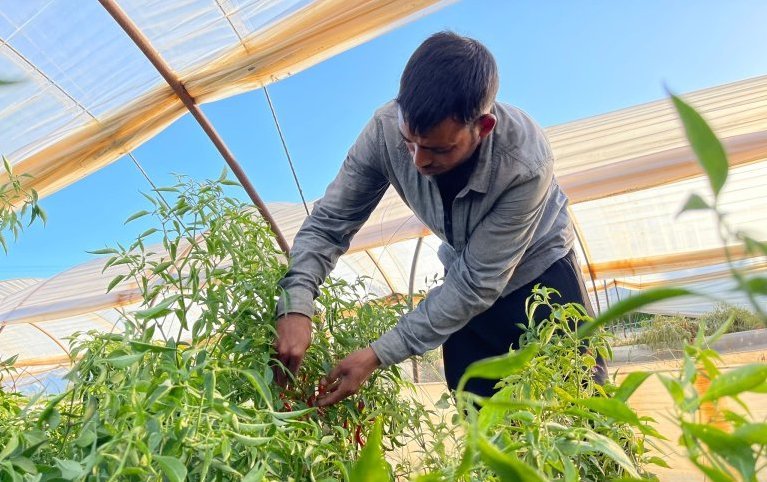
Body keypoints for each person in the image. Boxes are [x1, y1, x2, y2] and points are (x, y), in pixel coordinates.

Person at [273, 31, 606, 406]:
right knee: (480, 418)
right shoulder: (383, 131)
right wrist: (296, 303)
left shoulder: (525, 161)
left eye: (438, 149)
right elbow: (329, 221)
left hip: (541, 282)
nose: (418, 161)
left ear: (482, 128)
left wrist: (377, 354)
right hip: (464, 274)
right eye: (409, 142)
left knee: (579, 413)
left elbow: (478, 283)